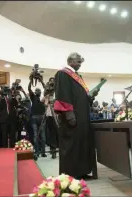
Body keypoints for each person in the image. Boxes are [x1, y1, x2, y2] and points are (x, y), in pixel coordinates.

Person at [54, 52, 98, 180]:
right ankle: (70, 174)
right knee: (71, 144)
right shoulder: (63, 73)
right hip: (72, 116)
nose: (80, 64)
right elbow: (63, 94)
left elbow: (80, 96)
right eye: (78, 62)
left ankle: (81, 171)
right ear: (70, 61)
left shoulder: (77, 76)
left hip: (82, 116)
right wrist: (69, 114)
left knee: (81, 143)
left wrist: (90, 97)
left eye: (80, 62)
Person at [28, 82, 46, 157]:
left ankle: (43, 152)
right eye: (36, 91)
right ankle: (37, 151)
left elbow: (46, 89)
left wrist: (41, 81)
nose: (37, 92)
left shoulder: (43, 99)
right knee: (35, 135)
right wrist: (31, 80)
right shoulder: (33, 97)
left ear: (40, 92)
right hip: (34, 118)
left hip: (42, 118)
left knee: (43, 136)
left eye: (38, 91)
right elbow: (29, 89)